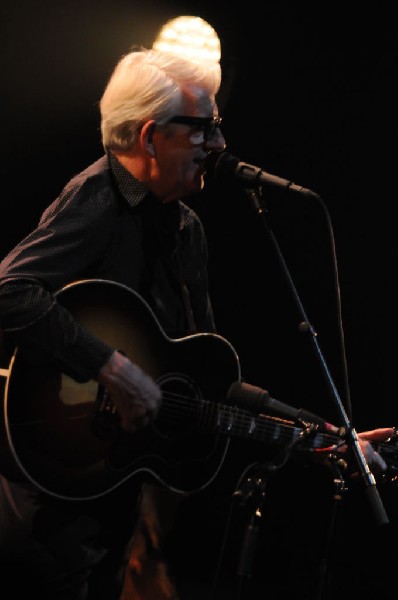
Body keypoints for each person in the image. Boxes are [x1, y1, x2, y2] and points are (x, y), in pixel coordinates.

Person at [0, 46, 394, 600]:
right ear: (148, 136)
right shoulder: (98, 199)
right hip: (51, 489)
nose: (219, 145)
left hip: (111, 494)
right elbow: (10, 291)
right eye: (204, 129)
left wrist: (320, 437)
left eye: (218, 127)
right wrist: (110, 366)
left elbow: (209, 388)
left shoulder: (186, 229)